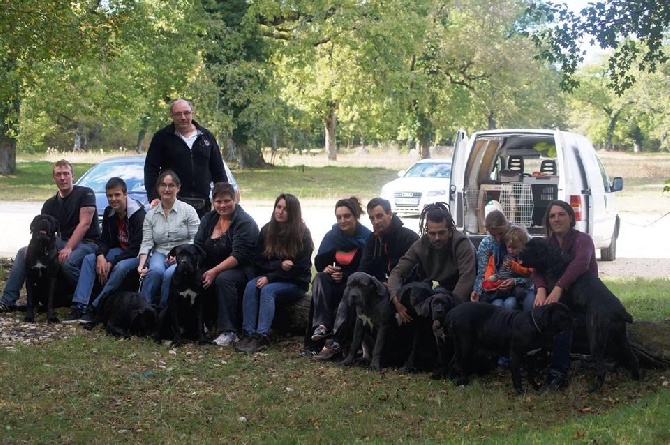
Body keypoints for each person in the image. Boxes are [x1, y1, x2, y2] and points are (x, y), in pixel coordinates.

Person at [311, 197, 420, 359]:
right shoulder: (373, 239)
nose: (375, 221)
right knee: (353, 292)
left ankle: (358, 347)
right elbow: (363, 269)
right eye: (372, 218)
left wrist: (390, 284)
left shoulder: (408, 238)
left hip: (403, 289)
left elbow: (417, 272)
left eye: (379, 216)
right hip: (378, 287)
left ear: (390, 214)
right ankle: (337, 342)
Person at [0, 160, 99, 314]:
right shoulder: (49, 204)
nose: (63, 178)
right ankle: (7, 301)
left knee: (68, 262)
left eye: (66, 174)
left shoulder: (85, 194)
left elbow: (85, 224)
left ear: (73, 175)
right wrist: (30, 249)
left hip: (87, 242)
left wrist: (68, 248)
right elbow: (41, 232)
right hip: (60, 242)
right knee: (22, 253)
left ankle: (88, 299)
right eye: (58, 174)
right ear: (54, 178)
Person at [236, 193, 314, 353]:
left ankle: (262, 336)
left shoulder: (303, 234)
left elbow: (300, 268)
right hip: (270, 277)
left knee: (267, 291)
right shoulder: (267, 230)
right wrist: (278, 265)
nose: (280, 211)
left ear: (293, 212)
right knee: (251, 286)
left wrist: (270, 277)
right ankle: (248, 333)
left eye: (285, 209)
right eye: (278, 207)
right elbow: (257, 259)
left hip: (295, 282)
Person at [533, 199, 598, 391]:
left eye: (561, 214)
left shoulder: (582, 239)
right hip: (554, 294)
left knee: (561, 318)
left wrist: (559, 287)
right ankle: (535, 358)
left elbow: (580, 264)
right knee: (532, 306)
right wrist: (541, 288)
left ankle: (558, 372)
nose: (556, 219)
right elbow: (536, 268)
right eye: (552, 216)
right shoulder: (548, 243)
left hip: (582, 298)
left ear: (571, 217)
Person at [64, 177, 146, 323]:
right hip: (119, 251)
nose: (113, 199)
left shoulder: (138, 215)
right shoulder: (110, 212)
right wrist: (101, 255)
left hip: (138, 255)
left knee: (120, 268)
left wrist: (111, 262)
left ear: (125, 194)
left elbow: (135, 248)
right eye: (110, 196)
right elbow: (104, 240)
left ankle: (96, 307)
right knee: (90, 259)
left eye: (117, 195)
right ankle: (80, 305)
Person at [194, 182, 259, 346]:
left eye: (227, 200)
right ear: (213, 202)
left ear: (235, 199)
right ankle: (201, 324)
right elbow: (198, 246)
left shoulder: (244, 222)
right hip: (214, 267)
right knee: (195, 275)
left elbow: (239, 255)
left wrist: (214, 271)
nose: (222, 205)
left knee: (223, 278)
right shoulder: (209, 218)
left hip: (242, 269)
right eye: (218, 201)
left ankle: (229, 331)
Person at [388, 202, 476, 323]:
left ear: (450, 231)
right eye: (432, 233)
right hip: (441, 291)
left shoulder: (462, 244)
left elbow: (467, 279)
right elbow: (397, 273)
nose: (437, 238)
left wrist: (449, 309)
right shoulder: (420, 246)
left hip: (466, 294)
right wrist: (395, 299)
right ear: (426, 232)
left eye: (441, 233)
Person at [303, 197, 371, 352]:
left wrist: (345, 276)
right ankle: (321, 326)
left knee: (343, 293)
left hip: (353, 286)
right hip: (330, 284)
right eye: (339, 217)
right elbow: (320, 262)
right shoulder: (332, 236)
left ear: (355, 216)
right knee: (319, 277)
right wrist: (327, 269)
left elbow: (367, 269)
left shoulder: (367, 238)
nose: (342, 221)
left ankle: (337, 341)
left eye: (347, 216)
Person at [144, 99, 228, 218]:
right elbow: (151, 169)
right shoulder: (162, 138)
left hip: (202, 204)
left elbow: (218, 171)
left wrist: (222, 197)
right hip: (171, 203)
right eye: (178, 114)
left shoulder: (206, 137)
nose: (183, 117)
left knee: (201, 236)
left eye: (186, 113)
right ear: (171, 116)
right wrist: (154, 197)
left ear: (192, 113)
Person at [137, 170, 200, 308]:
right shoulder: (150, 215)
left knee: (169, 274)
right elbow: (147, 242)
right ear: (158, 188)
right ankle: (143, 309)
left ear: (178, 187)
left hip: (183, 255)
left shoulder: (188, 211)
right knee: (154, 272)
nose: (167, 189)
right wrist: (142, 264)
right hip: (159, 253)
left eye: (171, 185)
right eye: (163, 185)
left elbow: (195, 239)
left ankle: (164, 310)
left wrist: (178, 254)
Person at [480, 225, 534, 310]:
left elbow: (527, 272)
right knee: (497, 304)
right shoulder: (500, 255)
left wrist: (514, 267)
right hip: (499, 287)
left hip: (515, 288)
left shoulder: (524, 258)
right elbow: (491, 268)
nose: (511, 250)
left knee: (510, 303)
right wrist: (490, 279)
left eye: (514, 248)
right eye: (509, 247)